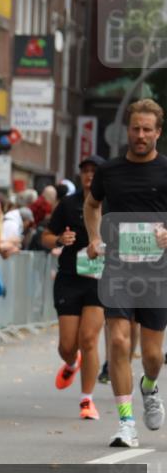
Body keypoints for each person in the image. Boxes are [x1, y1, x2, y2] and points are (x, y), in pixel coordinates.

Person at [84, 99, 167, 447]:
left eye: (148, 129)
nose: (141, 135)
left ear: (158, 133)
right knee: (118, 341)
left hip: (156, 272)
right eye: (136, 128)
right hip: (117, 268)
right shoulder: (110, 171)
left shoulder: (165, 170)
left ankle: (149, 386)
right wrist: (94, 237)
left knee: (151, 355)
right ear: (127, 130)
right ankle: (126, 424)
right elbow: (92, 204)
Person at [41, 155, 106, 421]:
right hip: (69, 277)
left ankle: (86, 401)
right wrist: (58, 238)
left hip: (99, 279)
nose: (89, 175)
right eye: (85, 171)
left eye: (94, 171)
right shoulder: (68, 204)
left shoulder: (112, 202)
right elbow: (45, 237)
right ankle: (71, 362)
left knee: (89, 340)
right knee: (67, 345)